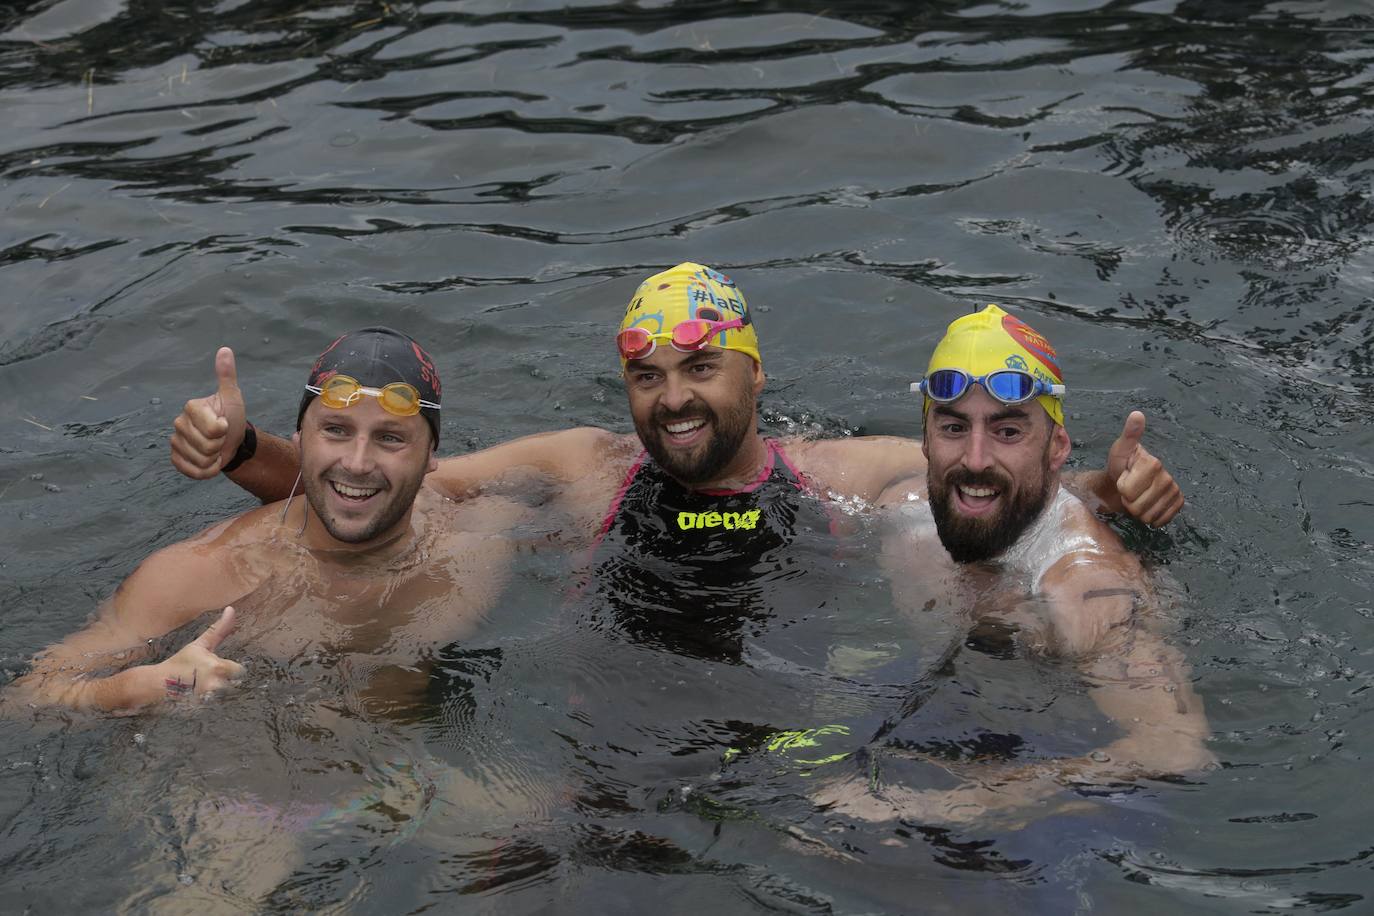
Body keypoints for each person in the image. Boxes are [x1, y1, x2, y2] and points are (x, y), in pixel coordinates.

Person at [167, 264, 1184, 575]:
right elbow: (383, 481)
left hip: (782, 746)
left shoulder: (828, 467)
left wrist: (1107, 489)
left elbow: (986, 488)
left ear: (753, 371)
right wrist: (241, 453)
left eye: (700, 366)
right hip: (608, 742)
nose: (674, 395)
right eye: (647, 375)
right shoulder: (585, 463)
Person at [806, 304, 1213, 825]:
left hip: (1052, 762)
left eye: (1008, 432)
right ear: (926, 439)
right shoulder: (901, 503)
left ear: (1057, 446)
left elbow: (1175, 749)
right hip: (932, 696)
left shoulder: (1084, 586)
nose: (975, 459)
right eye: (954, 427)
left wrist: (940, 807)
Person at [5, 326, 518, 714]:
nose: (358, 462)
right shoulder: (203, 574)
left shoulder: (471, 521)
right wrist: (145, 685)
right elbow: (28, 697)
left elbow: (591, 455)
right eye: (335, 430)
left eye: (390, 438)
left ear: (431, 456)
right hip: (250, 791)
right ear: (300, 440)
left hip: (404, 764)